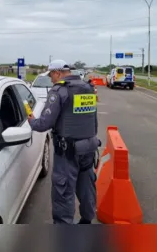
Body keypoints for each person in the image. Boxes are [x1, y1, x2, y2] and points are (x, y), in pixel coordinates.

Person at [27, 59, 100, 224]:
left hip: (68, 152)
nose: (51, 80)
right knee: (86, 186)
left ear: (57, 73)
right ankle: (87, 220)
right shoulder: (87, 88)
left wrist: (31, 121)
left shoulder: (59, 91)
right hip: (88, 147)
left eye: (51, 76)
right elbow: (93, 120)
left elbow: (45, 123)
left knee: (63, 191)